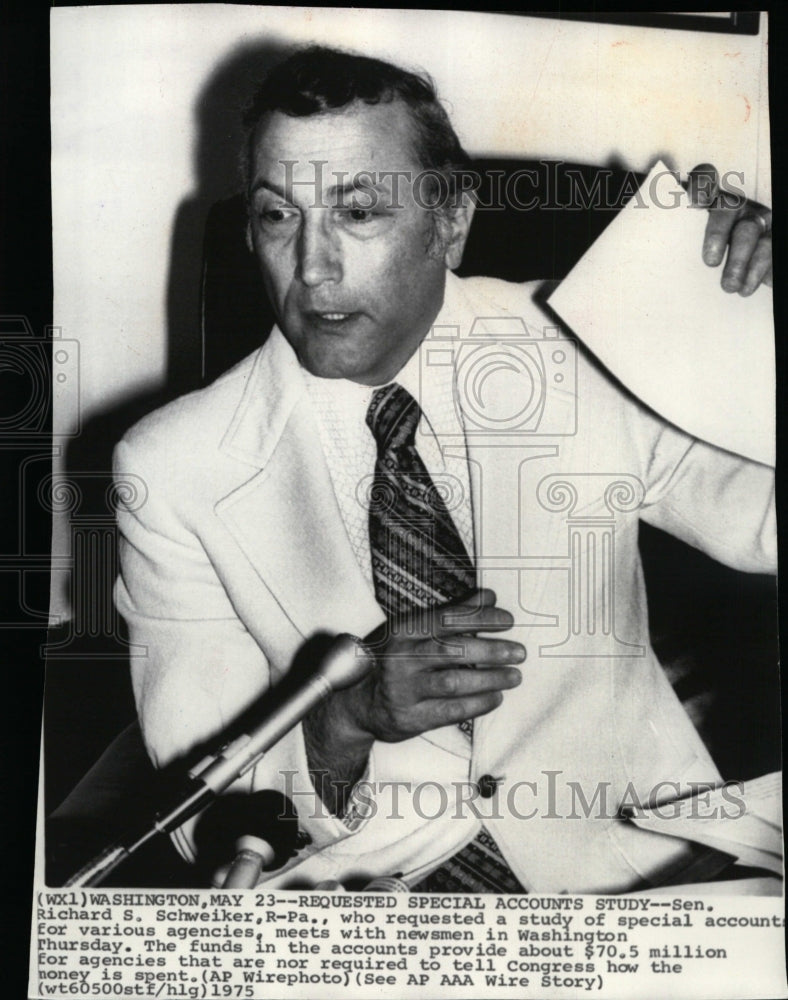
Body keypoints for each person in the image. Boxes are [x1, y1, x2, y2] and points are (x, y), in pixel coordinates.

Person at [113, 46, 775, 893]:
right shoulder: (170, 470)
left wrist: (755, 328)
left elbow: (765, 528)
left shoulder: (587, 345)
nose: (312, 268)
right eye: (280, 217)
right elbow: (195, 814)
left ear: (450, 224)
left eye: (358, 214)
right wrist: (343, 723)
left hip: (634, 880)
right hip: (362, 908)